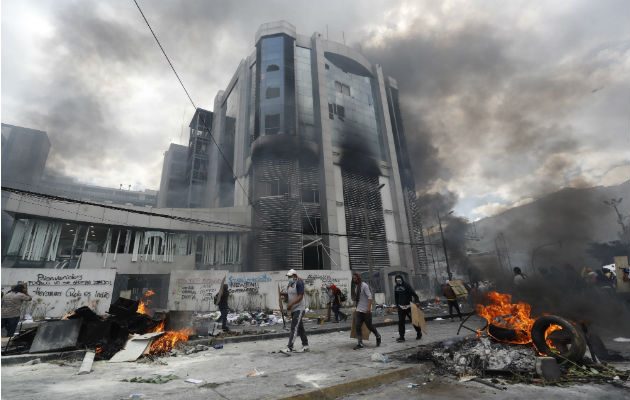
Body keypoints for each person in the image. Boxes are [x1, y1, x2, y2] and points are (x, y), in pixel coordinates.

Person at [281, 269, 309, 354]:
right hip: (293, 309)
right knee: (300, 328)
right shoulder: (290, 284)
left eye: (290, 276)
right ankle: (306, 345)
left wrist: (291, 304)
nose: (289, 278)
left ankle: (290, 347)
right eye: (288, 276)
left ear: (294, 276)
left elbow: (300, 296)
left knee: (294, 327)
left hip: (299, 309)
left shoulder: (299, 283)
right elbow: (290, 295)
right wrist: (282, 294)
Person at [352, 273, 381, 350]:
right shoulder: (356, 287)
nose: (354, 280)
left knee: (369, 326)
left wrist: (368, 308)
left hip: (366, 310)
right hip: (359, 310)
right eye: (353, 278)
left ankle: (378, 335)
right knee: (357, 326)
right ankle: (360, 343)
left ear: (358, 278)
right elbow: (358, 299)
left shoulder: (364, 286)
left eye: (355, 278)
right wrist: (355, 307)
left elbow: (370, 297)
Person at [393, 274, 422, 342]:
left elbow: (414, 294)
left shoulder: (407, 285)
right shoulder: (396, 287)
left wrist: (417, 301)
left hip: (409, 307)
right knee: (401, 322)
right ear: (395, 281)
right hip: (401, 307)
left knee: (414, 321)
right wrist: (397, 305)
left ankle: (419, 332)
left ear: (402, 279)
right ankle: (401, 337)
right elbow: (396, 297)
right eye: (397, 280)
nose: (398, 281)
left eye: (399, 280)